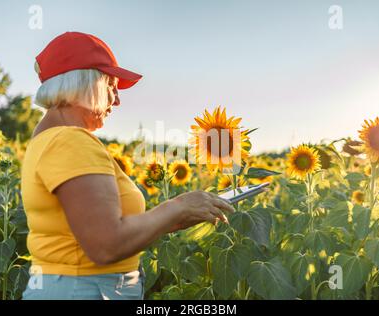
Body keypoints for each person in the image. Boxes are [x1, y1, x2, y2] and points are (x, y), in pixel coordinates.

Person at [20, 32, 234, 300]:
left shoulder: (49, 139)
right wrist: (176, 207)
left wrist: (175, 218)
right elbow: (105, 245)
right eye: (110, 85)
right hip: (83, 290)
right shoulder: (70, 142)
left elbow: (91, 228)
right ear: (85, 83)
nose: (117, 99)